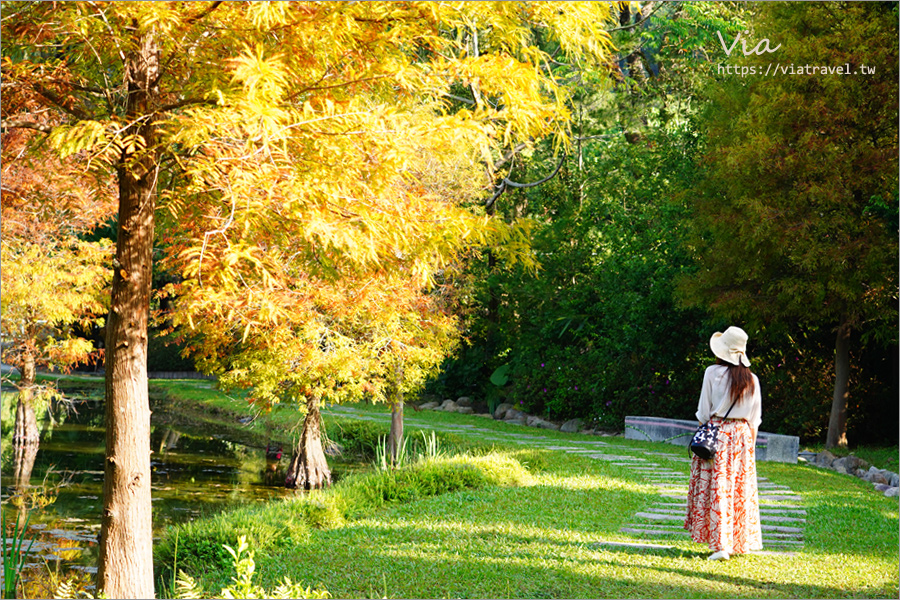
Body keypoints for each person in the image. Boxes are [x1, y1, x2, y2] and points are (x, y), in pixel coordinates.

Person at [684, 326, 763, 560]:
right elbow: (754, 420)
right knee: (739, 489)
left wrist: (703, 436)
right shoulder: (753, 379)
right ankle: (738, 542)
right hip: (742, 437)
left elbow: (703, 412)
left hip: (717, 434)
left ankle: (720, 546)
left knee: (717, 488)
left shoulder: (712, 373)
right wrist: (750, 451)